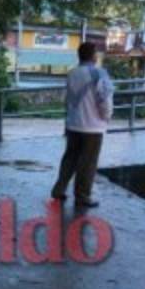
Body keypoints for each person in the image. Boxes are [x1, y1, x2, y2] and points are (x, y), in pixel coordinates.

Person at [51, 41, 113, 207]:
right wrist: (107, 117)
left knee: (70, 158)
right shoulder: (99, 73)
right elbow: (105, 99)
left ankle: (59, 189)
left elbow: (68, 100)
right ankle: (82, 196)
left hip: (73, 124)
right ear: (93, 56)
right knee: (88, 162)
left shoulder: (72, 73)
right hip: (93, 127)